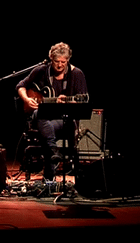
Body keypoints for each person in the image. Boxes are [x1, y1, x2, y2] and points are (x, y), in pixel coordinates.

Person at [16, 42, 88, 180]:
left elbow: (82, 103)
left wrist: (68, 103)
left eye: (63, 62)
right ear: (50, 59)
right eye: (56, 62)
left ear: (68, 60)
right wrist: (26, 100)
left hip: (67, 121)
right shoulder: (41, 70)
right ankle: (53, 153)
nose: (60, 65)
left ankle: (50, 169)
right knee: (40, 114)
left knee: (42, 121)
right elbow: (20, 85)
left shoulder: (77, 74)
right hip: (45, 120)